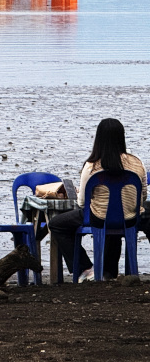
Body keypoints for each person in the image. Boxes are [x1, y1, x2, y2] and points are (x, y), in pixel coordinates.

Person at [49, 118, 149, 281]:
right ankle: (108, 272)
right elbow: (142, 196)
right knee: (114, 226)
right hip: (130, 218)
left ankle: (85, 268)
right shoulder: (137, 163)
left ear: (99, 139)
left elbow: (82, 203)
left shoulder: (92, 166)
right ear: (122, 137)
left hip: (98, 217)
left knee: (56, 224)